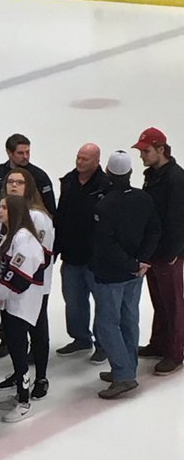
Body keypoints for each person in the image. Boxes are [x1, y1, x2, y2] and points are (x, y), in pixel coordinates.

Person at [91, 151, 161, 399]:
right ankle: (126, 367)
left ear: (109, 174)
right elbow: (155, 230)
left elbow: (106, 244)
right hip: (135, 273)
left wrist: (131, 264)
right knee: (129, 319)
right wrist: (141, 261)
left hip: (113, 274)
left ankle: (123, 374)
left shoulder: (104, 205)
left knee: (107, 323)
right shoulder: (143, 198)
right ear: (130, 173)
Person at [0, 195, 48, 423]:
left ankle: (25, 402)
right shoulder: (10, 236)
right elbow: (0, 266)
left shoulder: (25, 239)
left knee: (19, 351)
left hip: (21, 305)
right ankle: (19, 393)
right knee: (15, 351)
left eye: (4, 207)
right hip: (10, 303)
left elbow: (19, 277)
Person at [134, 127, 184, 375]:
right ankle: (159, 342)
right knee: (159, 300)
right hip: (153, 250)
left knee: (173, 303)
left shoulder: (176, 178)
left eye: (146, 151)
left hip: (168, 253)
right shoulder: (152, 175)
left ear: (161, 150)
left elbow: (178, 219)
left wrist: (173, 252)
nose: (142, 155)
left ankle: (176, 351)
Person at [55, 143, 110, 359]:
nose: (79, 162)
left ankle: (103, 344)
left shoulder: (105, 185)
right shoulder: (68, 181)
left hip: (94, 259)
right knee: (74, 301)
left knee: (102, 304)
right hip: (71, 256)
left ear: (97, 161)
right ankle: (80, 338)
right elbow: (60, 216)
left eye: (85, 159)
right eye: (78, 157)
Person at [0, 133, 57, 217]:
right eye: (20, 153)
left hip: (29, 223)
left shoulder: (39, 176)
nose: (25, 156)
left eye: (27, 152)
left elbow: (50, 209)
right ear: (9, 153)